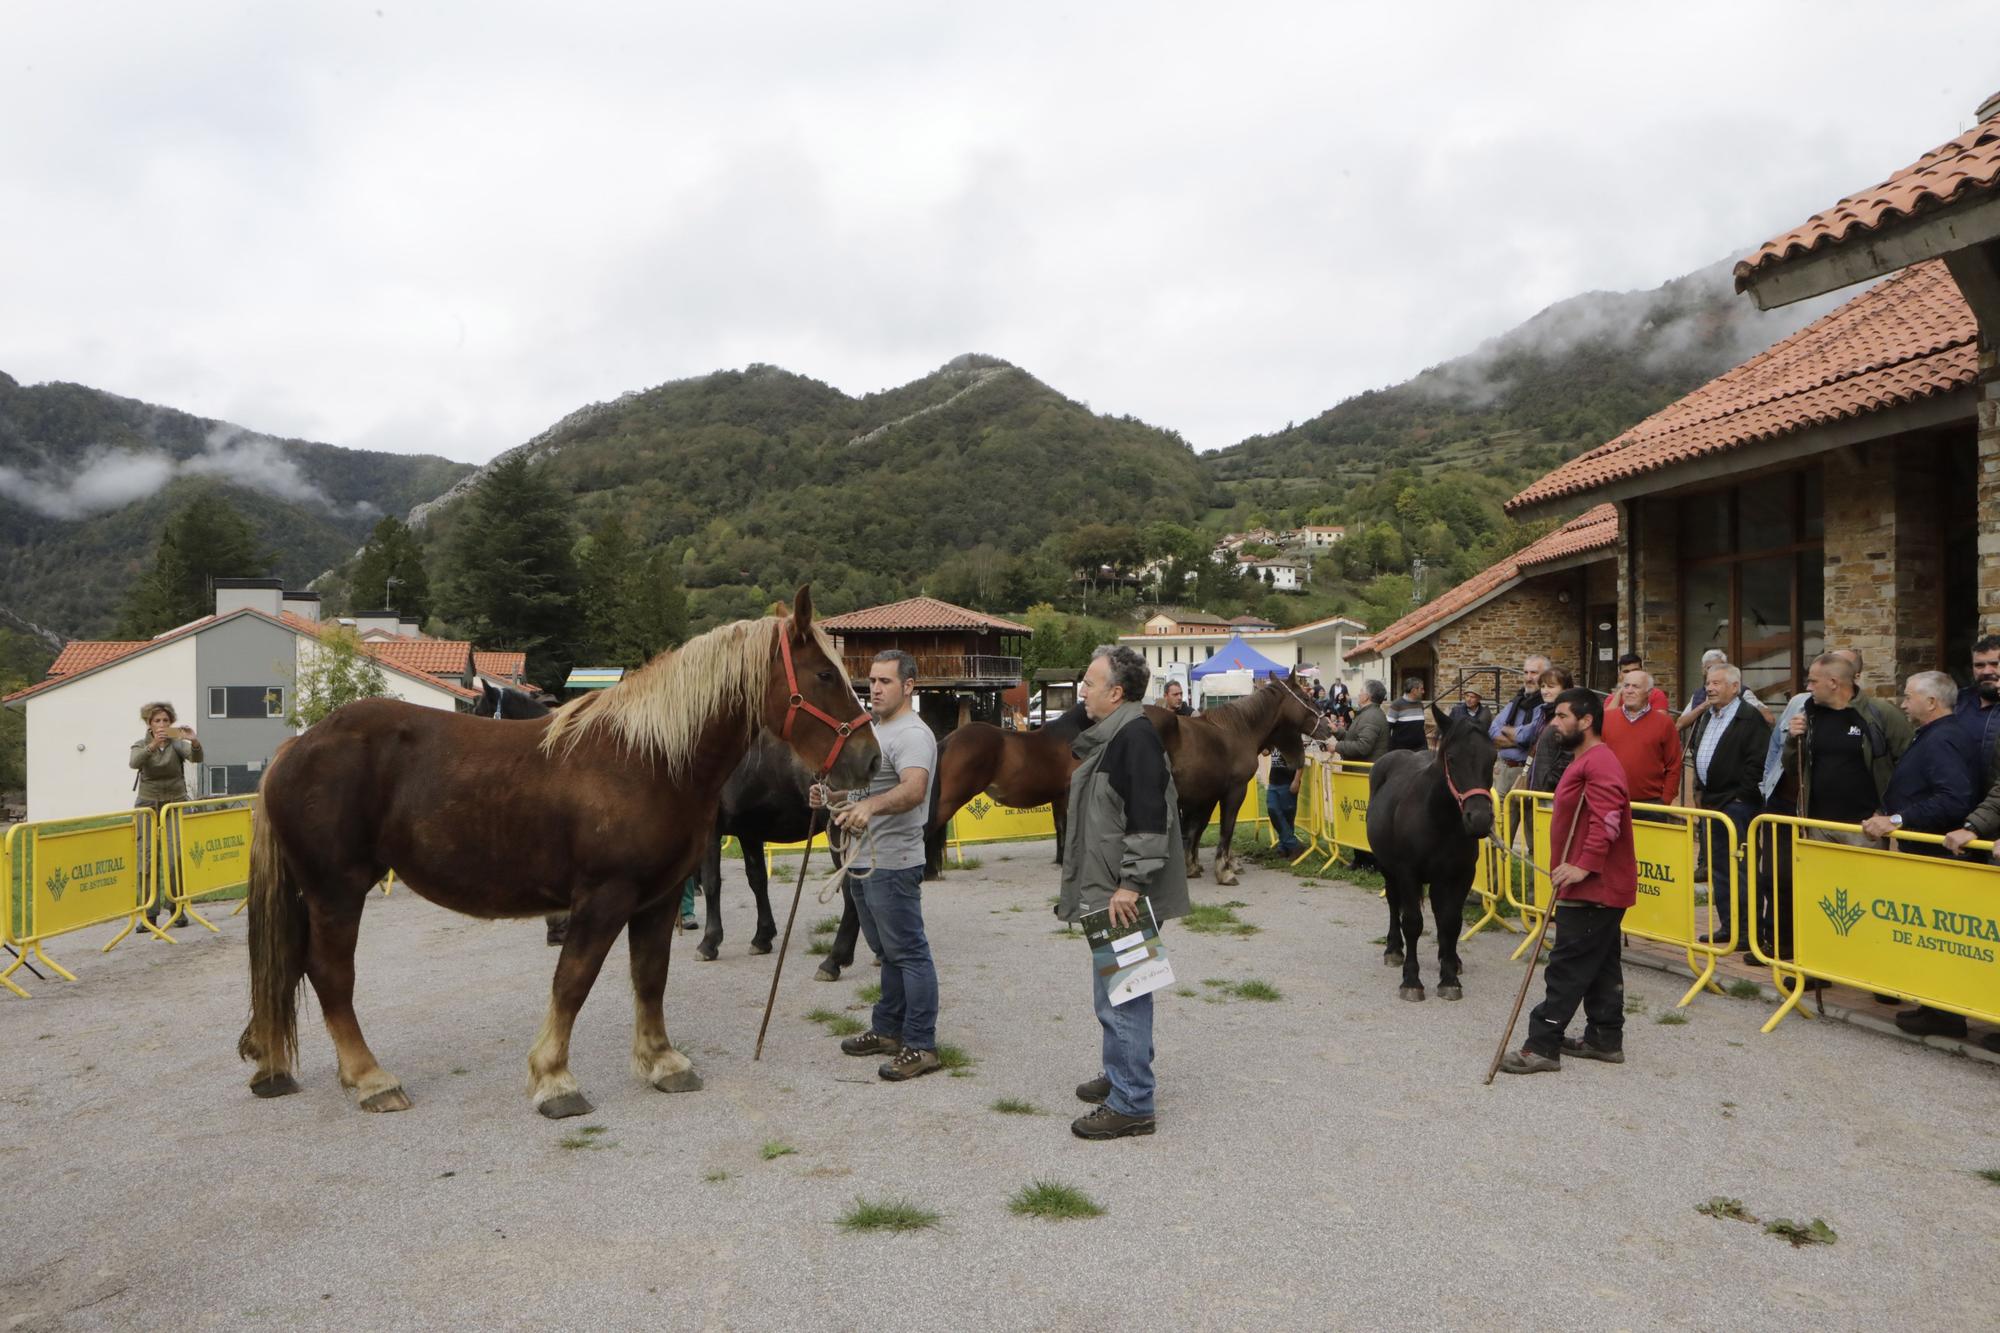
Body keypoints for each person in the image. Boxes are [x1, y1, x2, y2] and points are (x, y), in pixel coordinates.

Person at [1059, 645, 1188, 1140]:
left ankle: (1132, 1102)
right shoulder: (1117, 733)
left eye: (1090, 684)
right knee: (1114, 991)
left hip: (1121, 894)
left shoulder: (1134, 737)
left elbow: (1149, 820)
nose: (1082, 692)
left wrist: (1130, 885)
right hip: (1108, 888)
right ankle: (1121, 1073)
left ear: (1116, 692)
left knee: (1124, 996)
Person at [810, 650, 941, 1082]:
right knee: (886, 953)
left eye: (885, 681)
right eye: (872, 681)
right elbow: (859, 794)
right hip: (863, 861)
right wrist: (830, 799)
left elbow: (913, 790)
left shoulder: (912, 734)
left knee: (909, 953)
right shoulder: (873, 731)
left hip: (894, 862)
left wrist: (869, 806)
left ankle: (920, 1044)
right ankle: (888, 1030)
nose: (876, 689)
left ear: (909, 687)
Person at [1499, 688, 1637, 1074]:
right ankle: (1604, 1038)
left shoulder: (1600, 762)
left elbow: (1607, 818)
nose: (1555, 723)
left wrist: (1584, 865)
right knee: (1601, 964)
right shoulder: (1584, 761)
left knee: (1567, 966)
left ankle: (1541, 1046)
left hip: (1594, 887)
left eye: (1562, 716)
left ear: (1587, 720)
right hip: (1592, 885)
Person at [1687, 664, 1771, 951]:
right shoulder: (1708, 716)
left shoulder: (1749, 718)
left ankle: (1749, 931)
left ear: (1735, 687)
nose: (1709, 688)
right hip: (1711, 802)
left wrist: (1740, 797)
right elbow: (1701, 752)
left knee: (1743, 868)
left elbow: (1757, 761)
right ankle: (1729, 926)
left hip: (1736, 805)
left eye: (1717, 683)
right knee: (1719, 868)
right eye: (1708, 682)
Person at [131, 701, 202, 931]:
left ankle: (177, 909)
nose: (162, 725)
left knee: (175, 857)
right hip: (148, 804)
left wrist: (194, 741)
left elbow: (196, 758)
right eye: (157, 721)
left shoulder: (176, 744)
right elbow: (134, 762)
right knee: (147, 859)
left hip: (174, 802)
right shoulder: (142, 744)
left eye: (166, 721)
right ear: (149, 724)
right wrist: (153, 745)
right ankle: (148, 914)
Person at [1600, 669, 1683, 806]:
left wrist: (1665, 799)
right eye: (1626, 686)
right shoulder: (1606, 719)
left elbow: (1674, 765)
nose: (1629, 690)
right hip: (1610, 801)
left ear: (1649, 693)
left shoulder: (1664, 723)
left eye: (1636, 686)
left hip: (1651, 804)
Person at [1677, 650, 1774, 734]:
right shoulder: (1699, 695)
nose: (1714, 671)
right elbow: (1679, 725)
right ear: (1703, 670)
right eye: (1710, 668)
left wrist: (1738, 703)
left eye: (1719, 667)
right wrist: (1703, 706)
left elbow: (1769, 719)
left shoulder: (1740, 691)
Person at [1955, 635, 2000, 788]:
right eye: (1979, 665)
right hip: (1960, 799)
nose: (1987, 671)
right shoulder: (1957, 701)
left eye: (1994, 664)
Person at [1265, 745, 1306, 858]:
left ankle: (1284, 848)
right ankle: (1293, 845)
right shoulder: (1273, 737)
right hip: (1273, 782)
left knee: (1287, 816)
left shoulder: (1292, 738)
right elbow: (1265, 752)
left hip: (1288, 783)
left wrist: (1296, 781)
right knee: (1272, 810)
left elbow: (1300, 761)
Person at [1334, 680, 1389, 762]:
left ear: (1366, 697)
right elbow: (1354, 738)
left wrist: (1336, 746)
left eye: (1361, 691)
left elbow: (1363, 746)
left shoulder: (1371, 716)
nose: (1359, 694)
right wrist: (1337, 731)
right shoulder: (1367, 713)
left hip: (1364, 772)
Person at [1385, 678, 1428, 752]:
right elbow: (1387, 728)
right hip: (1401, 752)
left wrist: (1425, 748)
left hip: (1419, 750)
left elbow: (1420, 729)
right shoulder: (1396, 705)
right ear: (1414, 690)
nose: (1423, 691)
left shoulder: (1420, 705)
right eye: (1421, 689)